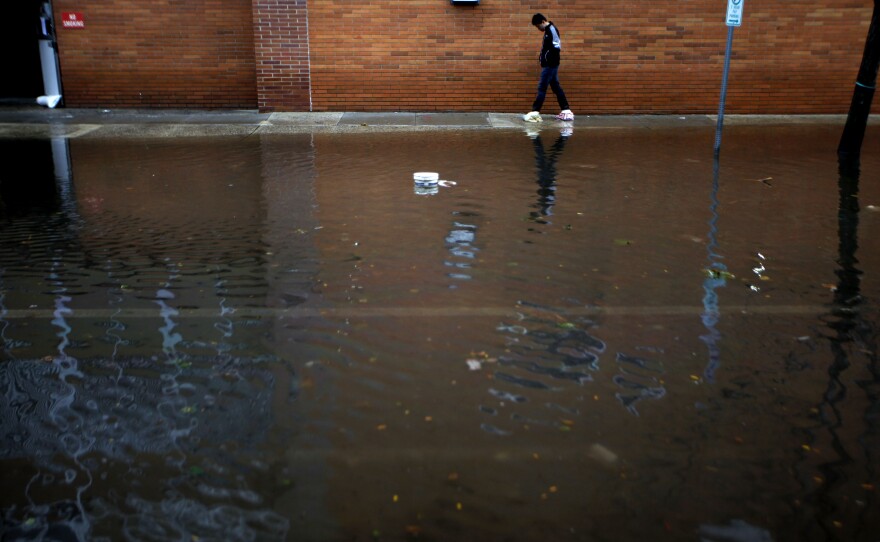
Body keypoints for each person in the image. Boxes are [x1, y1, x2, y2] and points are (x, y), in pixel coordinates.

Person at [523, 13, 574, 123]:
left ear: (542, 22)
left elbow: (556, 46)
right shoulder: (547, 31)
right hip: (550, 65)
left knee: (542, 87)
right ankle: (566, 111)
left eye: (537, 26)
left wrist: (549, 61)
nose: (538, 28)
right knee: (556, 87)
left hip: (550, 65)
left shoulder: (552, 29)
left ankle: (535, 112)